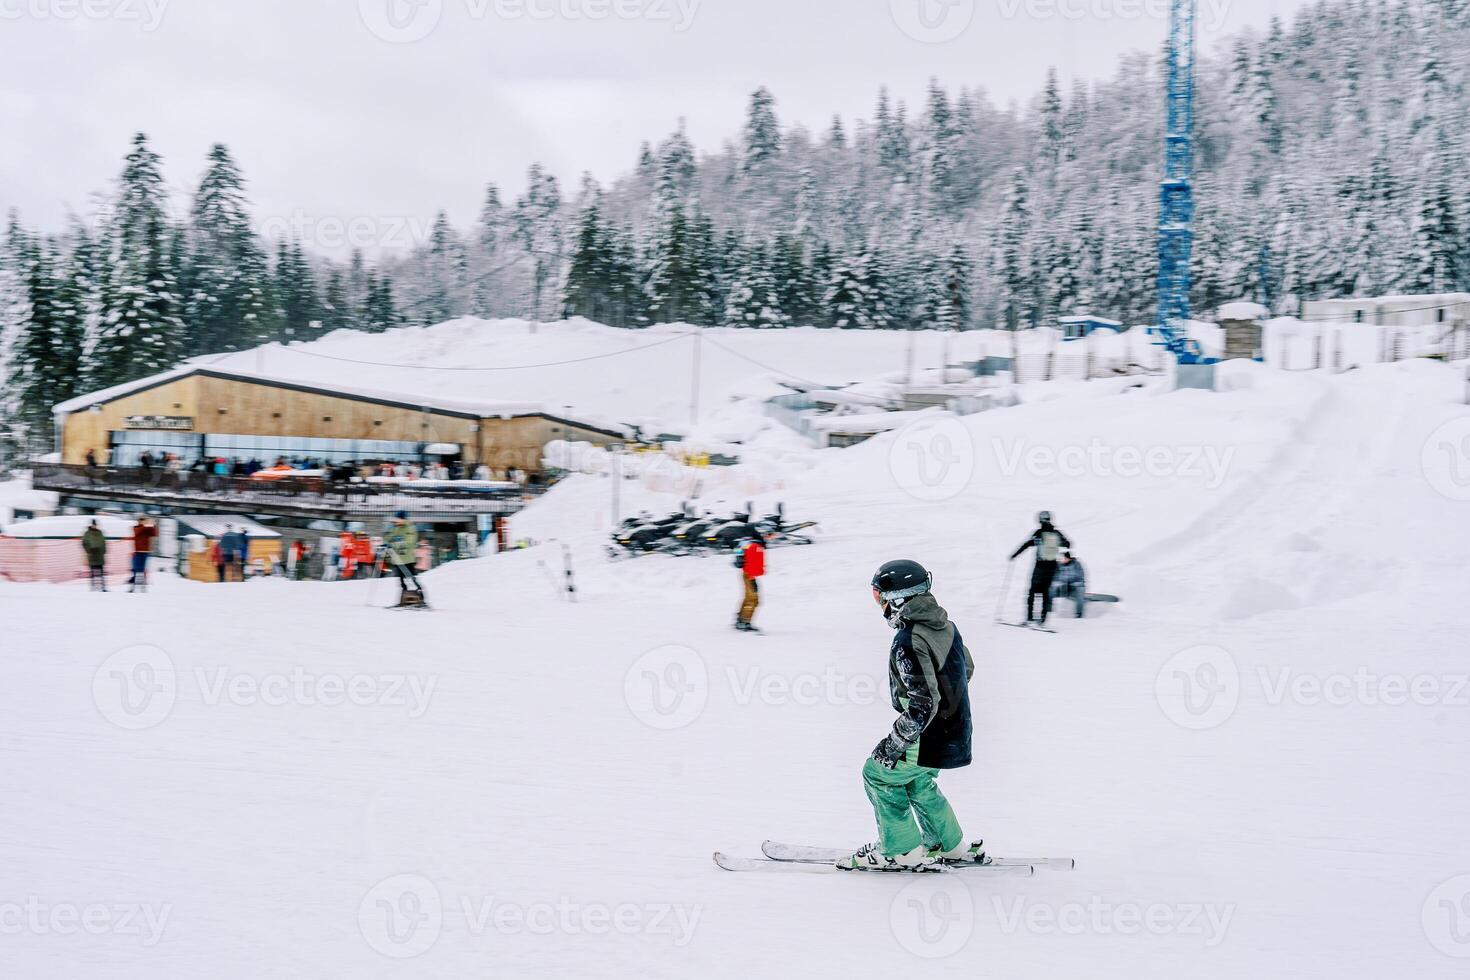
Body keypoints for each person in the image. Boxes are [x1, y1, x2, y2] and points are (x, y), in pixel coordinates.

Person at [838, 560, 983, 872]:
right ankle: (948, 844)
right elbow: (966, 669)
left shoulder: (908, 640)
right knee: (918, 782)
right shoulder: (945, 626)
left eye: (880, 597)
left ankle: (901, 850)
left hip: (926, 734)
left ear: (899, 598)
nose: (880, 605)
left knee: (877, 774)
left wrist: (894, 744)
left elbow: (922, 705)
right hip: (955, 730)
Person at [1009, 511, 1072, 627]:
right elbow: (1069, 544)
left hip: (1040, 567)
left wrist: (1014, 555)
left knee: (1032, 593)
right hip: (1053, 567)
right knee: (1046, 593)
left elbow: (1026, 545)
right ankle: (1042, 620)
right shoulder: (1057, 533)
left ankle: (1029, 619)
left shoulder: (1039, 533)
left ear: (1040, 520)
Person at [383, 513, 426, 607]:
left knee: (412, 579)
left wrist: (395, 543)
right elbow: (389, 539)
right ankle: (403, 600)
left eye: (397, 519)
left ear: (402, 518)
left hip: (408, 559)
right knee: (401, 582)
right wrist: (386, 542)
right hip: (397, 559)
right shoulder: (396, 528)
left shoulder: (410, 527)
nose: (396, 521)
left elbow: (409, 542)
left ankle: (422, 599)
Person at [733, 530, 765, 632]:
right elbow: (752, 562)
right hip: (749, 574)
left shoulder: (746, 544)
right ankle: (744, 622)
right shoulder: (754, 546)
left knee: (749, 598)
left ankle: (740, 619)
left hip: (748, 574)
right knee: (753, 600)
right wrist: (752, 576)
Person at [1050, 550, 1088, 619]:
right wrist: (1059, 583)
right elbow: (1054, 578)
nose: (1061, 560)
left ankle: (1078, 614)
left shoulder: (1076, 564)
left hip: (1074, 587)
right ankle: (1049, 610)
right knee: (1051, 589)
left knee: (1080, 590)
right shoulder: (1058, 565)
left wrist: (1073, 584)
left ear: (1068, 558)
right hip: (1062, 587)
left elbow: (1080, 578)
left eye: (1063, 558)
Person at [128, 517, 157, 593]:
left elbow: (154, 534)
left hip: (145, 552)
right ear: (139, 521)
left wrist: (153, 525)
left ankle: (142, 588)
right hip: (138, 552)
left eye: (145, 521)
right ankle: (133, 587)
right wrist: (146, 525)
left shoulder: (146, 529)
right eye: (143, 521)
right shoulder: (137, 528)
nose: (145, 522)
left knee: (142, 570)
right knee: (136, 569)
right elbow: (139, 531)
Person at [82, 520, 108, 591]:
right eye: (93, 525)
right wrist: (88, 550)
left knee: (101, 573)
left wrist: (104, 551)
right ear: (91, 525)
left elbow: (103, 542)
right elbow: (84, 543)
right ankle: (93, 587)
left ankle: (103, 588)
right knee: (92, 573)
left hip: (100, 555)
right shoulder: (87, 533)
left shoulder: (100, 532)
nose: (94, 526)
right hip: (92, 555)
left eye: (95, 525)